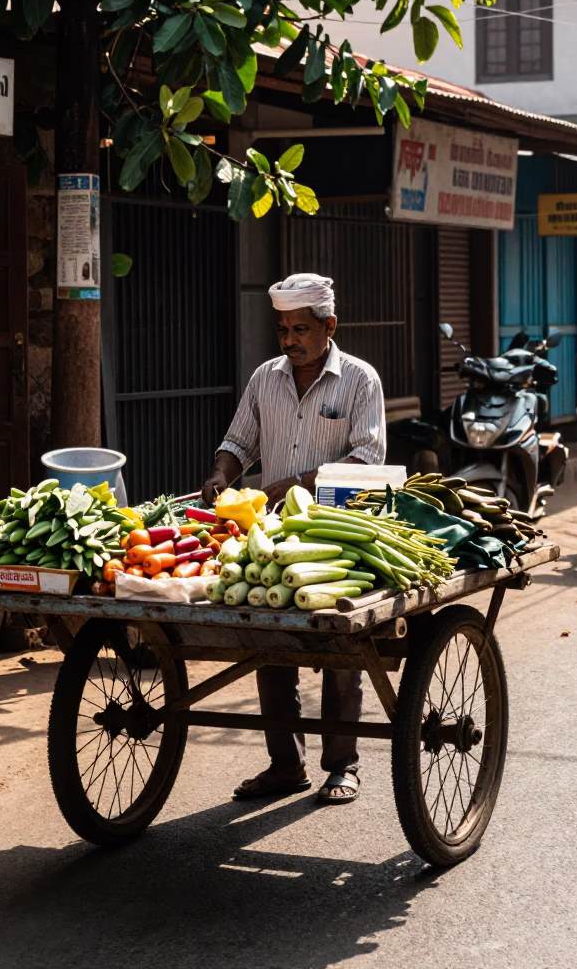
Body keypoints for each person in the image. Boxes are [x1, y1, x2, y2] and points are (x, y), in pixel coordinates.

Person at [201, 272, 386, 805]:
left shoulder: (359, 380)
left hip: (339, 532)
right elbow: (240, 439)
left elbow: (366, 459)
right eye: (283, 329)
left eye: (301, 329)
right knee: (270, 639)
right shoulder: (266, 378)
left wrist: (294, 483)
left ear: (330, 326)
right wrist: (222, 472)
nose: (289, 340)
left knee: (336, 644)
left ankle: (342, 765)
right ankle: (286, 766)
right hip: (273, 533)